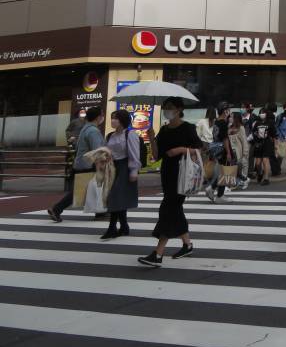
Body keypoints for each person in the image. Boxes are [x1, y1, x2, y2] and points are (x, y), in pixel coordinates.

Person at [138, 96, 202, 267]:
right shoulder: (164, 130)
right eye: (165, 107)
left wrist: (181, 149)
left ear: (179, 109)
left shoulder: (188, 128)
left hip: (183, 174)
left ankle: (158, 253)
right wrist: (151, 138)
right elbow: (157, 155)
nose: (167, 110)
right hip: (167, 173)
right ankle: (187, 245)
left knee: (167, 209)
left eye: (171, 107)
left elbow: (200, 148)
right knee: (175, 209)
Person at [49, 106, 105, 222]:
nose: (102, 117)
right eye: (102, 115)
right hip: (88, 165)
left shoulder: (85, 129)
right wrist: (101, 165)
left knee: (88, 189)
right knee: (82, 190)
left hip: (81, 163)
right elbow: (97, 151)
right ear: (98, 117)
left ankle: (100, 213)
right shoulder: (93, 131)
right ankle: (56, 209)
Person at [101, 110, 140, 239]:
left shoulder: (130, 134)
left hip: (125, 167)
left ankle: (112, 228)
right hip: (112, 167)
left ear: (122, 120)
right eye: (112, 118)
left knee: (115, 197)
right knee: (118, 197)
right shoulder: (110, 135)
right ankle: (124, 226)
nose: (113, 120)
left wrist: (134, 170)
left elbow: (134, 153)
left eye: (115, 118)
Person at [204, 103, 234, 203]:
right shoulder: (223, 123)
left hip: (218, 150)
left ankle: (215, 191)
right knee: (226, 171)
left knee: (223, 171)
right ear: (224, 111)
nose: (229, 111)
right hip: (224, 150)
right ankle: (217, 193)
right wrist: (229, 153)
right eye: (228, 109)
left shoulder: (217, 122)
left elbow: (218, 136)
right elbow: (225, 139)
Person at [251, 107, 274, 185]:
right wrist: (255, 139)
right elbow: (253, 132)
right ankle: (260, 173)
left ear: (266, 114)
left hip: (267, 143)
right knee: (257, 163)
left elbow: (274, 133)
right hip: (258, 143)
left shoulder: (270, 122)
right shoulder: (257, 123)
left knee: (265, 160)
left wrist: (275, 144)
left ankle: (266, 178)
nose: (262, 114)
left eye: (263, 113)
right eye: (260, 113)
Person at [228, 112, 250, 190]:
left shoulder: (241, 128)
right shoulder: (229, 127)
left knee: (241, 167)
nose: (230, 118)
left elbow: (244, 141)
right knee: (232, 168)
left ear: (236, 118)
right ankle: (235, 183)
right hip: (230, 151)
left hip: (238, 151)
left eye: (232, 117)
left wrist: (245, 153)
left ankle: (243, 180)